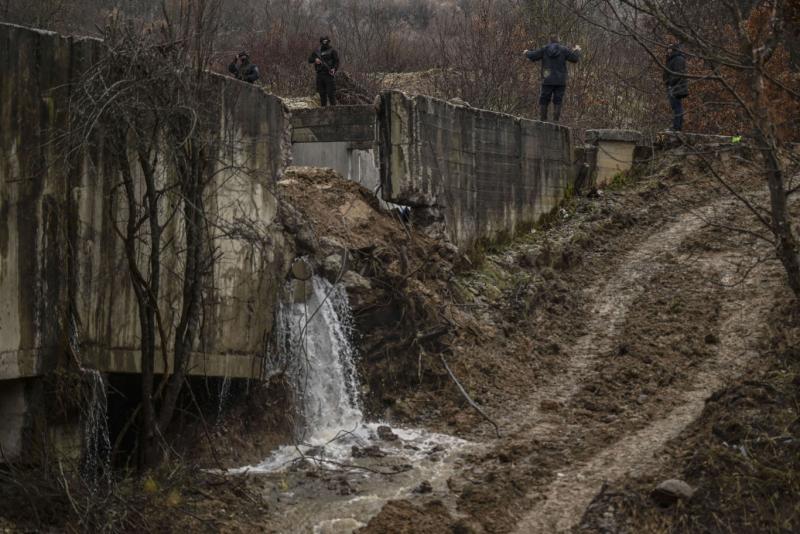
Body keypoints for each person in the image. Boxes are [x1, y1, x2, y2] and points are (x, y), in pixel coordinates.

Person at [524, 35, 581, 123]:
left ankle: (543, 121)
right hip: (560, 80)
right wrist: (577, 50)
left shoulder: (544, 49)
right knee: (558, 100)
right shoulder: (564, 50)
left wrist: (526, 52)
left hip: (547, 79)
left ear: (550, 41)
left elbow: (533, 56)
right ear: (558, 40)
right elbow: (575, 59)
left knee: (544, 99)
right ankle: (555, 122)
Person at [663, 43, 688, 131]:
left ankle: (677, 127)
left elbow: (677, 74)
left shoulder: (678, 58)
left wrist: (670, 83)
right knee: (675, 107)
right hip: (672, 86)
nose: (668, 49)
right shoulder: (671, 58)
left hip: (676, 87)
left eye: (669, 47)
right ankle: (676, 126)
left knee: (677, 107)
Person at [308, 36, 340, 106]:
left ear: (328, 41)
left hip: (329, 74)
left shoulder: (332, 51)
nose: (325, 43)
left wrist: (334, 69)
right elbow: (309, 59)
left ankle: (334, 111)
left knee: (331, 95)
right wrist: (315, 60)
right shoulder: (317, 51)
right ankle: (323, 112)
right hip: (319, 75)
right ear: (321, 42)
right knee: (322, 95)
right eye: (323, 41)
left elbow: (336, 61)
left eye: (326, 41)